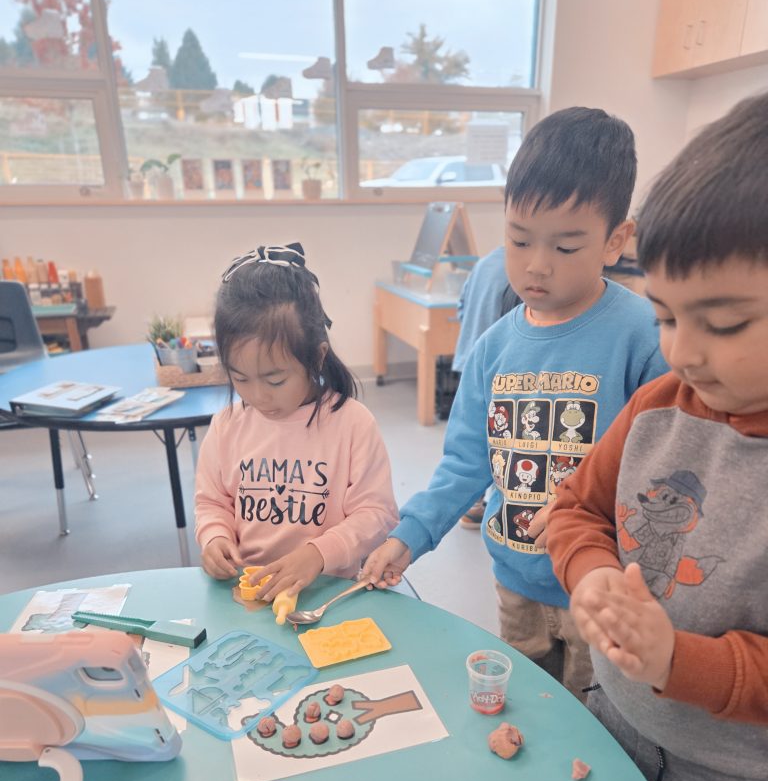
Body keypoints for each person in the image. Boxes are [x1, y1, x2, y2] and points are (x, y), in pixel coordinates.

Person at [546, 93, 768, 781]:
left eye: (725, 323)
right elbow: (574, 508)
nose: (685, 352)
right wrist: (593, 573)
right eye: (667, 316)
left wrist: (681, 659)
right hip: (614, 723)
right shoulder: (658, 406)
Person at [362, 107, 667, 697]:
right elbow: (464, 464)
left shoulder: (643, 335)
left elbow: (664, 465)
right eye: (519, 239)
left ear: (615, 241)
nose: (536, 264)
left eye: (566, 246)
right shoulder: (493, 348)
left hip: (602, 586)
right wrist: (409, 535)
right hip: (515, 579)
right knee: (526, 704)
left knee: (595, 715)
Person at [195, 242, 399, 602]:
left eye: (275, 380)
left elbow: (376, 514)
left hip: (327, 591)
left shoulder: (352, 424)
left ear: (317, 357)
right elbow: (212, 502)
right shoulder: (226, 426)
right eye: (240, 378)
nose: (258, 396)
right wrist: (215, 537)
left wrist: (318, 554)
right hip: (248, 590)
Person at [453, 247, 522, 529]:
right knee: (499, 435)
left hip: (470, 356)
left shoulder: (484, 262)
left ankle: (471, 504)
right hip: (498, 367)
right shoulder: (520, 274)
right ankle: (493, 503)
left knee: (472, 434)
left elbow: (461, 307)